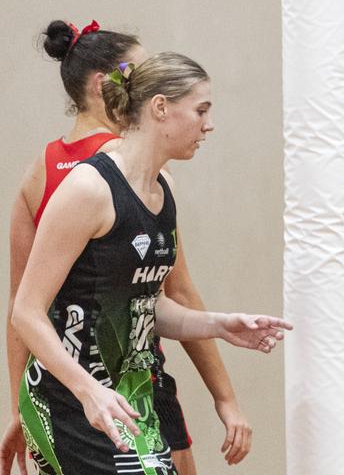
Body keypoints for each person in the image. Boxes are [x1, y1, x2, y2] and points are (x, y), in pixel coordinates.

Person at [10, 51, 290, 475]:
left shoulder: (164, 190)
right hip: (68, 399)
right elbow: (26, 312)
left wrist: (219, 323)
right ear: (161, 107)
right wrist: (87, 391)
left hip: (127, 394)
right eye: (201, 110)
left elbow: (145, 305)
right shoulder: (88, 188)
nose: (208, 124)